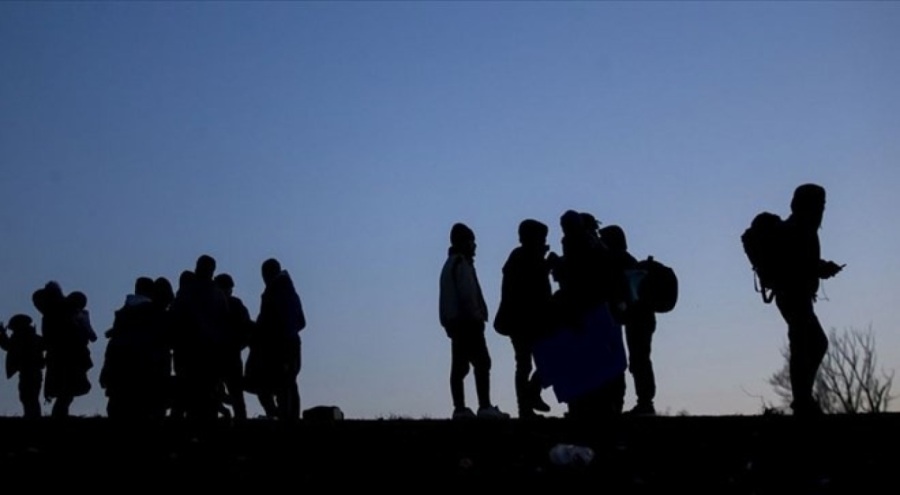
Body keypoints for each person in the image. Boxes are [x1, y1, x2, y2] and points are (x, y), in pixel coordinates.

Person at [774, 183, 844, 416]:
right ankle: (802, 400)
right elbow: (798, 264)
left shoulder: (799, 227)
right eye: (820, 204)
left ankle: (802, 399)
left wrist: (821, 267)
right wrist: (822, 268)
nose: (822, 209)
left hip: (793, 296)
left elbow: (801, 262)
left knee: (805, 344)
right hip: (793, 296)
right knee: (812, 343)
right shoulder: (800, 228)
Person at [439, 222, 509, 420]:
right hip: (467, 322)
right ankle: (483, 406)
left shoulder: (451, 264)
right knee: (482, 363)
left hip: (456, 323)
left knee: (460, 366)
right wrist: (477, 316)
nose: (475, 246)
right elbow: (467, 295)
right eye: (472, 241)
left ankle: (460, 408)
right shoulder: (460, 264)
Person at [494, 219, 553, 418]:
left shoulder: (524, 257)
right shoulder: (522, 258)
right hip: (525, 322)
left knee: (539, 363)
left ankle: (528, 399)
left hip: (529, 321)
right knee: (529, 364)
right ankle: (526, 403)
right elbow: (531, 287)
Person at [600, 224, 657, 415]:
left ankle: (645, 402)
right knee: (640, 359)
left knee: (639, 360)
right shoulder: (627, 259)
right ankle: (645, 401)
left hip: (636, 318)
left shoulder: (617, 260)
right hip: (642, 317)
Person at [246, 258, 305, 420]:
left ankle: (281, 417)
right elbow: (301, 321)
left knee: (272, 384)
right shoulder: (291, 293)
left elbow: (268, 321)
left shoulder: (274, 293)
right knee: (288, 384)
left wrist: (265, 335)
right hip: (291, 343)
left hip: (279, 346)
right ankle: (288, 418)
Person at [0, 314, 45, 418]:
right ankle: (32, 415)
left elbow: (8, 345)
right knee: (30, 397)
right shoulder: (32, 337)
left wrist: (2, 334)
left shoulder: (22, 338)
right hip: (33, 372)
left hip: (28, 372)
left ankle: (32, 416)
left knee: (28, 396)